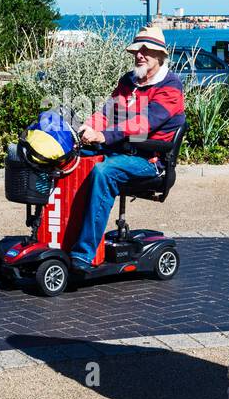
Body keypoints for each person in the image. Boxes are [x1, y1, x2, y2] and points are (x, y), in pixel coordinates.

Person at [71, 25, 185, 268]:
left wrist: (103, 136)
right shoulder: (129, 81)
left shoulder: (171, 87)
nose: (140, 55)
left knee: (105, 171)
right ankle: (61, 236)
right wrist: (86, 129)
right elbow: (106, 113)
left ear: (160, 56)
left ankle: (84, 254)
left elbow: (142, 124)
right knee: (72, 158)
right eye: (137, 50)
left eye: (146, 50)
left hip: (151, 162)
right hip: (122, 150)